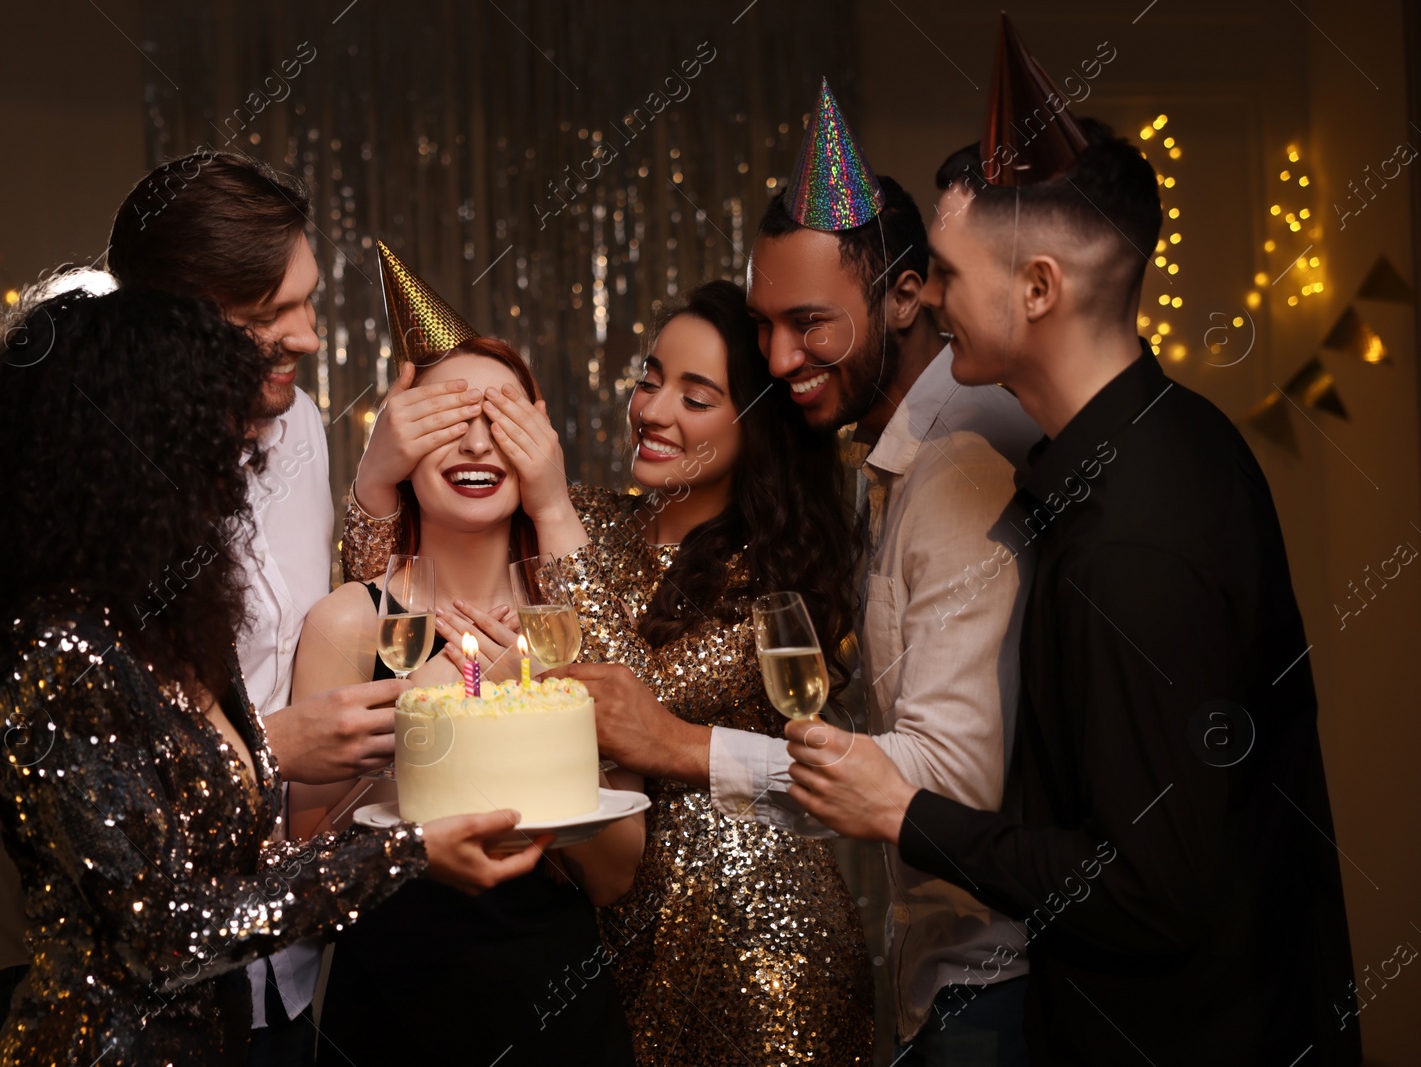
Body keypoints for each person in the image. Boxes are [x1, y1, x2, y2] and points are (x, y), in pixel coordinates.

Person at [782, 17, 1362, 1066]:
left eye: (949, 276)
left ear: (1038, 288)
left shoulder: (1129, 542)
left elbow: (1147, 893)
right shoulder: (1176, 431)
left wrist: (905, 811)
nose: (933, 304)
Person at [0, 151, 483, 1061]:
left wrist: (383, 502)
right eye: (269, 313)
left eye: (307, 299)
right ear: (166, 328)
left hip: (278, 954)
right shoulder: (54, 500)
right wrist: (272, 751)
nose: (309, 337)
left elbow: (334, 629)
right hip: (94, 987)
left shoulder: (303, 430)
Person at [566, 80, 1040, 1063]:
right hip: (923, 967)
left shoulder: (957, 459)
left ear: (907, 295)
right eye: (766, 323)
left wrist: (683, 745)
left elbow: (950, 779)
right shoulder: (884, 467)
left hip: (988, 979)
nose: (780, 358)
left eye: (812, 323)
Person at [344, 263, 873, 1064]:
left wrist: (551, 504)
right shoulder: (593, 523)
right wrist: (379, 470)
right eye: (650, 379)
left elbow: (631, 710)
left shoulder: (768, 576)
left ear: (755, 426)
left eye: (696, 398)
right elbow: (399, 582)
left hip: (750, 938)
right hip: (612, 938)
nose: (654, 411)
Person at [294, 267, 642, 1063]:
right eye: (448, 420)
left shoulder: (571, 628)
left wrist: (525, 721)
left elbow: (618, 873)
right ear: (398, 445)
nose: (479, 444)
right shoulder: (351, 623)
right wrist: (423, 718)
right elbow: (304, 873)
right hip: (388, 1010)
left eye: (502, 421)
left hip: (556, 1006)